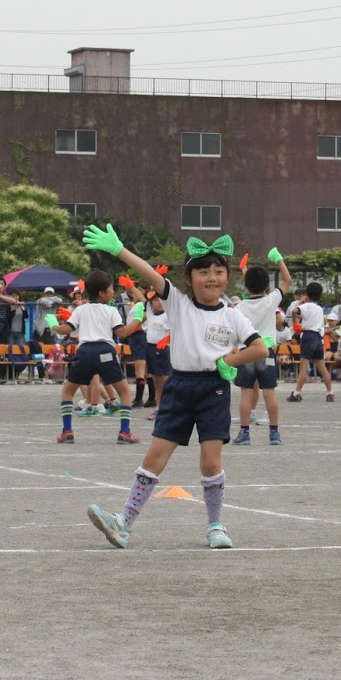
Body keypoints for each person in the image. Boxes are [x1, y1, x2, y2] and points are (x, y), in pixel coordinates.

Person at [81, 226, 267, 550]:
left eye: (219, 271)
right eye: (204, 271)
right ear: (189, 277)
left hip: (215, 391)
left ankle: (215, 525)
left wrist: (231, 361)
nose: (212, 278)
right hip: (179, 386)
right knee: (154, 457)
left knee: (211, 462)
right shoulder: (179, 304)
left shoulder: (232, 316)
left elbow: (260, 348)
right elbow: (151, 275)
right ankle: (123, 523)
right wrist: (119, 250)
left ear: (228, 276)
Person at [53, 271, 140, 444]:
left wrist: (54, 325)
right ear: (101, 293)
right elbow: (122, 333)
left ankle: (67, 431)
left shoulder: (80, 310)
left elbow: (66, 330)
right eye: (111, 289)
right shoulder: (111, 310)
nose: (113, 293)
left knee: (68, 390)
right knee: (124, 392)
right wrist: (138, 320)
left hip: (84, 351)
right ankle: (124, 432)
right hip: (105, 351)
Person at [231, 249, 292, 446]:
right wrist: (279, 259)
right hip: (266, 351)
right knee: (269, 392)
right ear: (267, 286)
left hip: (246, 352)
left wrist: (245, 270)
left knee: (246, 393)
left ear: (246, 288)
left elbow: (252, 288)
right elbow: (287, 281)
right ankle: (274, 433)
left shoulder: (239, 307)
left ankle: (245, 433)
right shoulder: (271, 300)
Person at [287, 282, 334, 403]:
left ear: (307, 294)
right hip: (318, 337)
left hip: (308, 336)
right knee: (322, 368)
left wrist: (295, 323)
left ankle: (297, 392)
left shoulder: (306, 306)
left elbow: (293, 311)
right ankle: (330, 392)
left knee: (303, 368)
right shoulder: (319, 309)